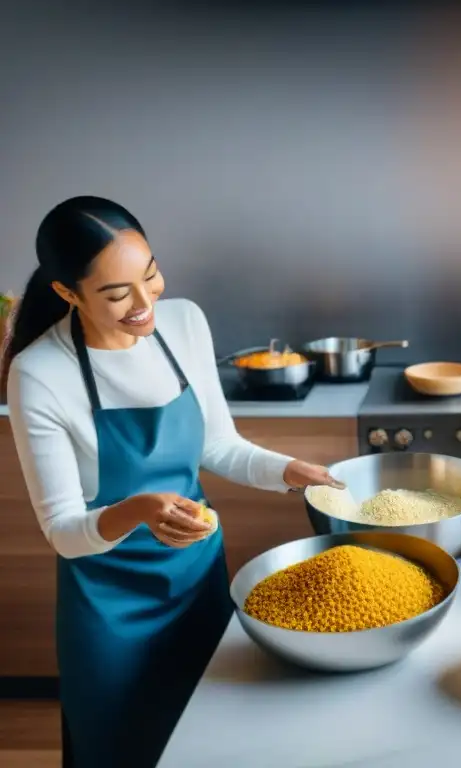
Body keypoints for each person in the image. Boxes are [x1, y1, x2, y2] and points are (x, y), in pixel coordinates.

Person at [2, 196, 338, 768]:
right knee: (121, 747)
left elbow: (217, 445)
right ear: (67, 294)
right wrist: (138, 509)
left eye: (150, 274)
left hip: (197, 582)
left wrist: (289, 471)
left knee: (209, 742)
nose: (142, 303)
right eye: (115, 294)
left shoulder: (183, 323)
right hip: (108, 608)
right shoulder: (40, 374)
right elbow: (62, 531)